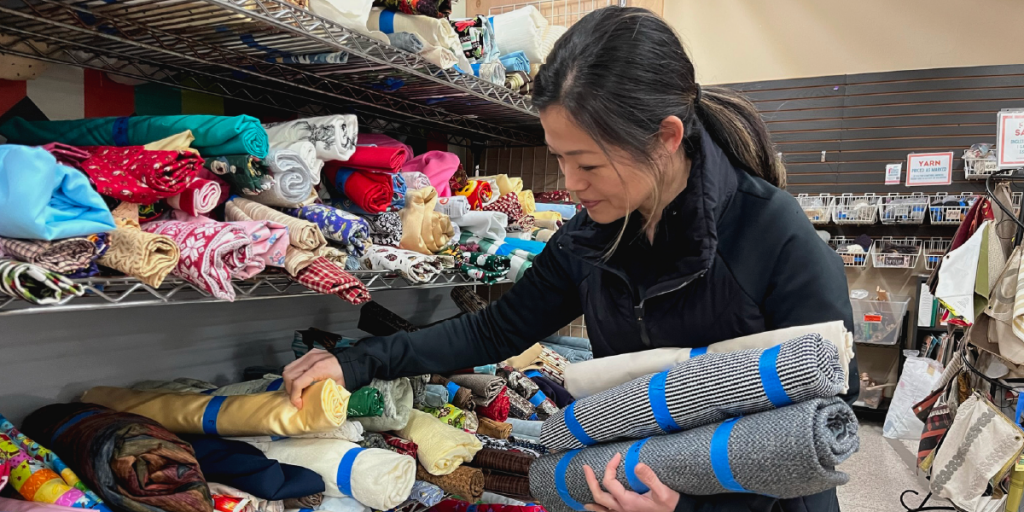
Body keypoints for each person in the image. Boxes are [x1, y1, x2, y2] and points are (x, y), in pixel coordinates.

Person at [283, 6, 858, 512]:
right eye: (559, 158)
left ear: (666, 137)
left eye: (587, 163)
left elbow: (822, 418)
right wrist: (357, 363)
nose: (571, 184)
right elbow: (497, 329)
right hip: (635, 485)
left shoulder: (772, 235)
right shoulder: (594, 237)